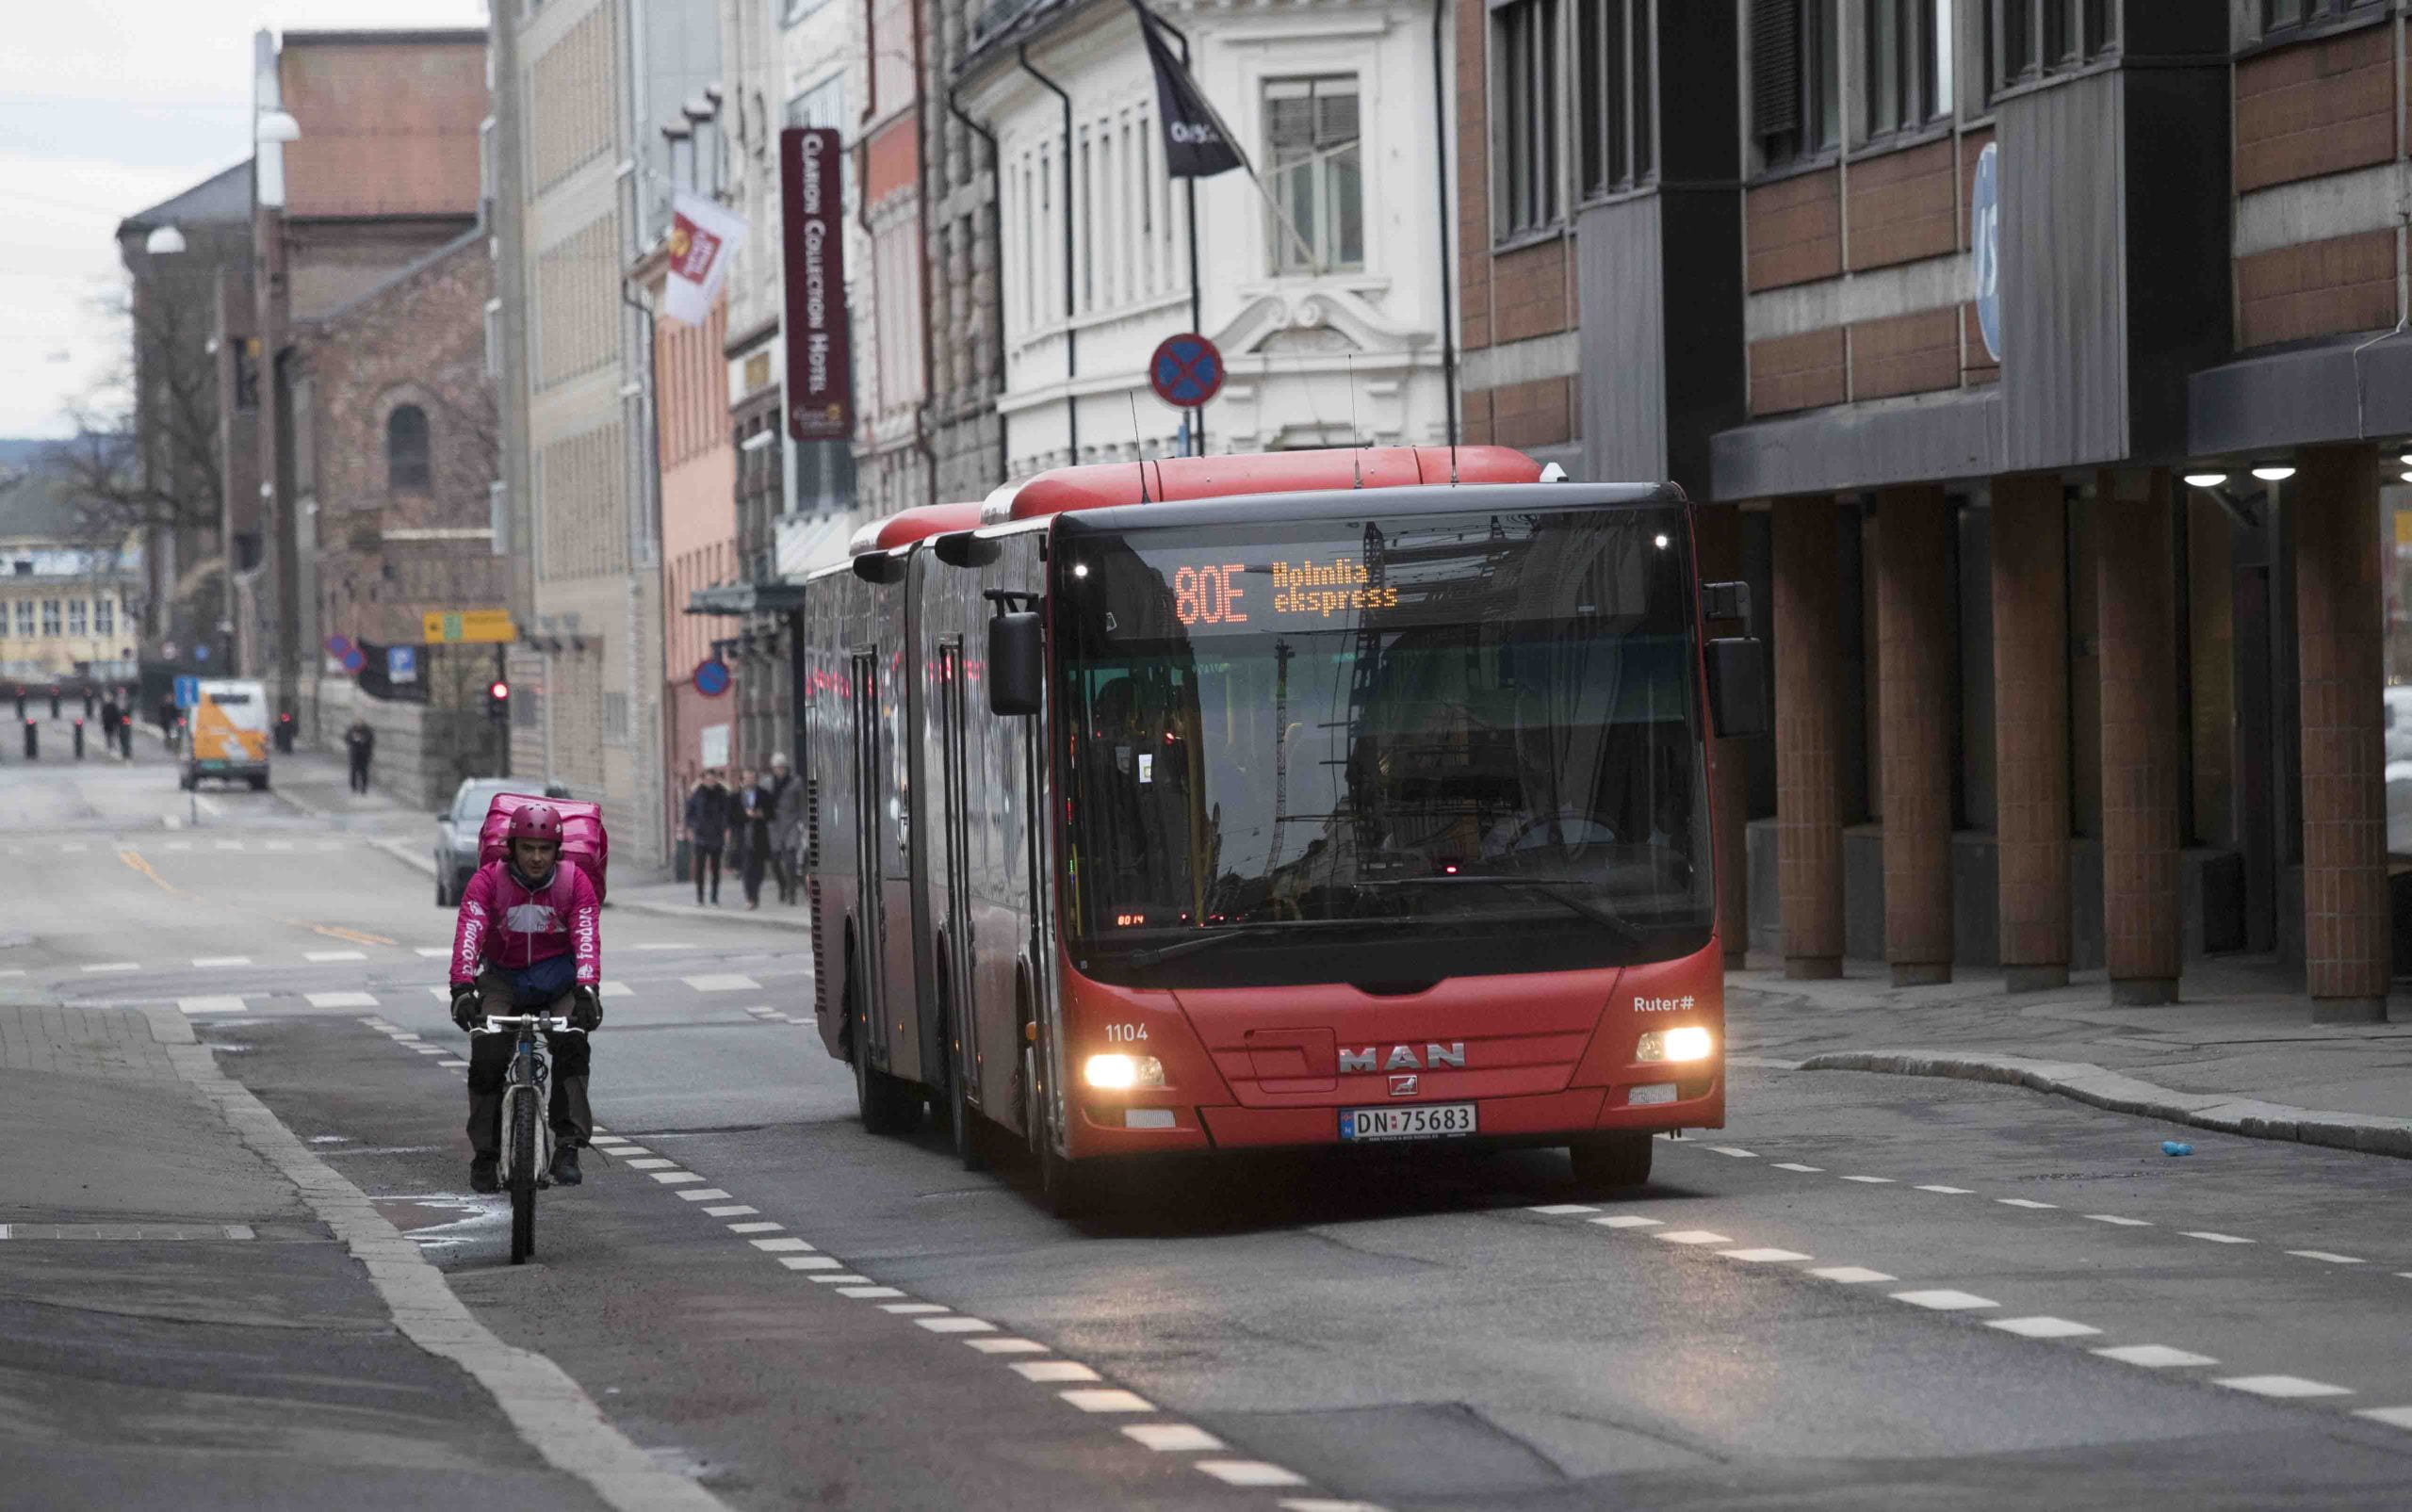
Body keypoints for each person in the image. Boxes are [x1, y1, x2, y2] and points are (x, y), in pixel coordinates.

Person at [447, 803, 604, 1193]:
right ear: (512, 848)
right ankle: (485, 1155)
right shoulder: (487, 882)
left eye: (545, 849)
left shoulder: (574, 882)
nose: (536, 858)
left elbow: (585, 936)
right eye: (527, 848)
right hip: (503, 980)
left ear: (558, 850)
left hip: (560, 983)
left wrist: (587, 988)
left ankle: (567, 1145)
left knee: (572, 1045)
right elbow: (470, 932)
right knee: (487, 1056)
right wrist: (462, 988)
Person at [685, 769, 729, 905]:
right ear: (703, 780)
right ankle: (700, 897)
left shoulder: (722, 795)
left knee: (716, 869)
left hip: (716, 836)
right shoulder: (696, 795)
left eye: (713, 779)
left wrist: (724, 827)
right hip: (701, 837)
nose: (711, 782)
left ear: (716, 780)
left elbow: (727, 813)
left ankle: (714, 897)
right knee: (700, 869)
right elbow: (689, 815)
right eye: (708, 779)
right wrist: (694, 826)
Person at [762, 755, 800, 904]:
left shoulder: (795, 782)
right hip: (774, 826)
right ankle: (782, 885)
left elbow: (802, 804)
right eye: (777, 767)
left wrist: (805, 823)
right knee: (775, 861)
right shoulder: (766, 783)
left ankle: (792, 892)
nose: (780, 770)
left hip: (791, 824)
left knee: (790, 860)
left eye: (782, 767)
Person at [726, 766, 756, 895]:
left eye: (751, 779)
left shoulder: (761, 794)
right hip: (741, 835)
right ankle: (750, 895)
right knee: (746, 866)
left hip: (758, 835)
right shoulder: (734, 798)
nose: (749, 782)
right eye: (746, 779)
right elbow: (729, 816)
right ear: (741, 782)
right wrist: (745, 815)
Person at [344, 719, 376, 793]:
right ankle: (353, 787)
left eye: (360, 722)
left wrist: (362, 740)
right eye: (357, 722)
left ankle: (364, 788)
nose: (359, 724)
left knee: (364, 771)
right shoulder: (352, 729)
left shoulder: (367, 730)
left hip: (364, 754)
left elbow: (370, 740)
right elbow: (347, 738)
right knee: (354, 771)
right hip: (354, 754)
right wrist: (353, 739)